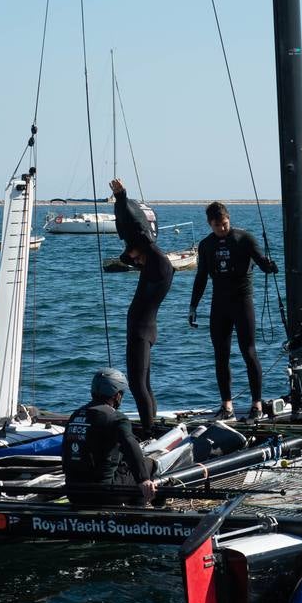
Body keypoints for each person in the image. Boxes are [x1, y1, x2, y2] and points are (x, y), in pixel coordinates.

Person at [188, 201, 278, 420]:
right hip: (219, 304)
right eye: (217, 225)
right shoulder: (206, 245)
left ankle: (256, 404)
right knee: (221, 356)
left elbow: (261, 263)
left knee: (248, 352)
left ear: (229, 219)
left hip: (242, 301)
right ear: (210, 224)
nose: (222, 228)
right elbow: (201, 278)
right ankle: (226, 405)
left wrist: (269, 266)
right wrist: (193, 306)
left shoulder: (244, 238)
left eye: (225, 224)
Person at [110, 178, 174, 435]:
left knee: (137, 385)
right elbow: (129, 250)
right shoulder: (150, 265)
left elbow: (138, 230)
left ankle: (148, 431)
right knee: (144, 383)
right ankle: (151, 425)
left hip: (142, 331)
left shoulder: (160, 263)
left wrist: (122, 197)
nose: (132, 257)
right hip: (142, 330)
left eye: (135, 253)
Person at [60, 367, 159, 507]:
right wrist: (143, 479)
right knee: (149, 465)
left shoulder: (76, 415)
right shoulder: (116, 418)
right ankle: (138, 515)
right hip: (103, 494)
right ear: (116, 395)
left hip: (73, 492)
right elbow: (130, 445)